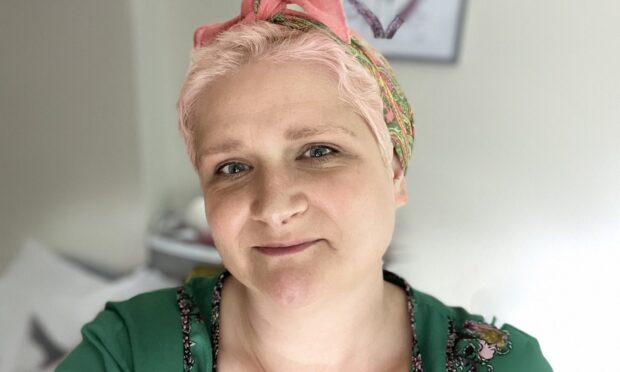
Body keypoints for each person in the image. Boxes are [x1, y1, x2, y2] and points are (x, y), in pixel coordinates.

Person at [58, 0, 552, 371]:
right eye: (232, 167)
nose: (274, 206)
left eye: (319, 152)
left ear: (395, 173)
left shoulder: (499, 363)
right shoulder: (128, 351)